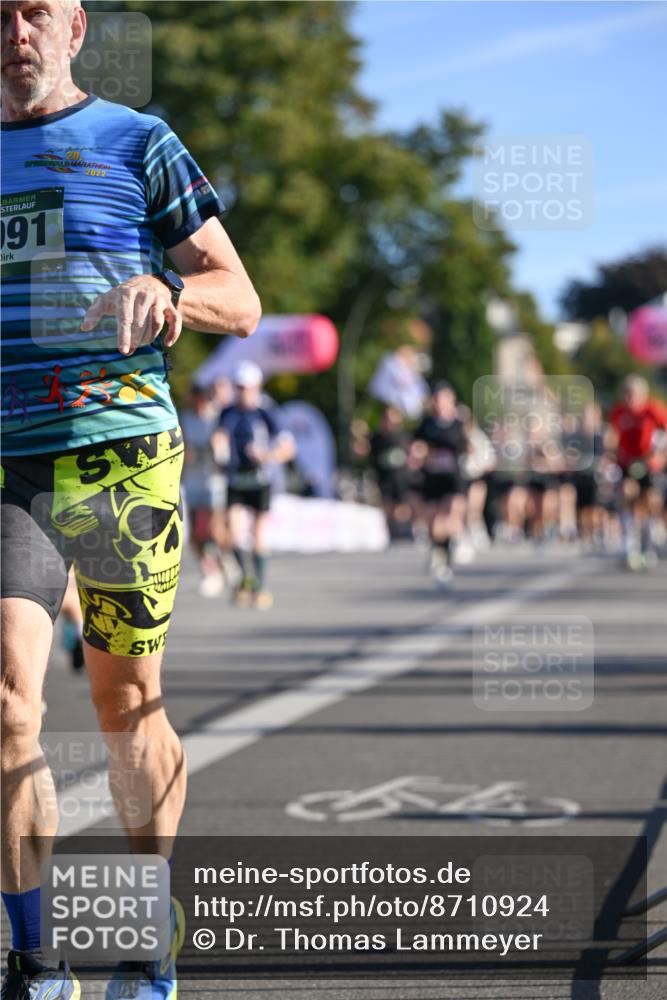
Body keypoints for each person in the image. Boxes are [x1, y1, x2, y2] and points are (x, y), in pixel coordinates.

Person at [0, 3, 261, 998]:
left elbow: (242, 296)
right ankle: (35, 961)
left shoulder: (138, 141)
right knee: (8, 704)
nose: (12, 29)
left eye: (32, 10)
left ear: (71, 27)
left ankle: (150, 938)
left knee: (125, 708)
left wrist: (174, 296)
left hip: (120, 460)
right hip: (8, 466)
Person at [212, 362, 294, 609]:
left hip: (260, 479)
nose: (242, 392)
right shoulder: (227, 412)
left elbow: (288, 447)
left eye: (246, 388)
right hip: (236, 479)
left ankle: (260, 585)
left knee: (258, 534)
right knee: (233, 534)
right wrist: (218, 448)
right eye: (238, 387)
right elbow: (219, 436)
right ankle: (245, 578)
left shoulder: (266, 412)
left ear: (257, 387)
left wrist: (268, 456)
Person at [608, 375, 667, 569]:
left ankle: (648, 540)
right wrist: (611, 454)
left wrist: (659, 455)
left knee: (649, 501)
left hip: (649, 461)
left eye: (633, 394)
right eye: (627, 394)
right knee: (627, 494)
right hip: (628, 462)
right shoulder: (619, 412)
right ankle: (629, 543)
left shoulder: (654, 409)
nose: (630, 398)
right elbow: (613, 436)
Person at [413, 382, 468, 586]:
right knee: (436, 525)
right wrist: (421, 453)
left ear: (451, 400)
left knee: (452, 512)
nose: (439, 403)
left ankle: (453, 550)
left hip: (453, 478)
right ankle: (440, 554)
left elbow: (466, 447)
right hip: (433, 478)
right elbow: (416, 446)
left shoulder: (459, 423)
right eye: (436, 399)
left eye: (443, 398)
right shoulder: (427, 424)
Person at [180, 383, 229, 597]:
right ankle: (208, 567)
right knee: (196, 534)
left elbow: (224, 449)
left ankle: (224, 560)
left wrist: (219, 448)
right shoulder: (185, 418)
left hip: (213, 480)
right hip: (192, 480)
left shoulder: (217, 417)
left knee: (213, 529)